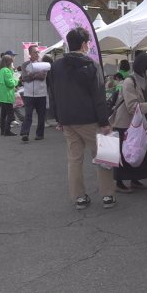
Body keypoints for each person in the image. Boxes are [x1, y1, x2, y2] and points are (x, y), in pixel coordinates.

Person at [50, 27, 116, 210]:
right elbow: (98, 95)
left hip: (68, 119)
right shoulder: (91, 65)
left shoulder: (56, 66)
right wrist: (104, 122)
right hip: (90, 119)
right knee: (102, 156)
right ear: (84, 44)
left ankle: (79, 197)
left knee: (74, 159)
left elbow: (53, 94)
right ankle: (107, 195)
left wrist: (58, 118)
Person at [110, 53, 147, 193]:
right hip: (125, 122)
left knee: (140, 150)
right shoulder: (128, 82)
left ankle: (135, 179)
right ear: (142, 66)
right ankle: (119, 182)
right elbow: (131, 106)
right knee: (125, 151)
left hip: (142, 120)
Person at [19, 45, 48, 142]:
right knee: (28, 114)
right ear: (30, 53)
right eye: (35, 52)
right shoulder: (25, 65)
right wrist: (35, 75)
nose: (37, 54)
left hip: (41, 93)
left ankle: (40, 134)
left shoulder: (43, 64)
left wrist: (32, 75)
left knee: (41, 115)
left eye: (38, 52)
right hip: (29, 94)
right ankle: (25, 133)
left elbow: (43, 77)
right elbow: (24, 78)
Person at [0, 54, 18, 137]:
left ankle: (3, 130)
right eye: (11, 62)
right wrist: (16, 79)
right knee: (10, 114)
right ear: (9, 62)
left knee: (3, 115)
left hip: (1, 96)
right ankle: (7, 130)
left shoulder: (0, 70)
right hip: (7, 95)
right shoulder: (7, 71)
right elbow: (10, 83)